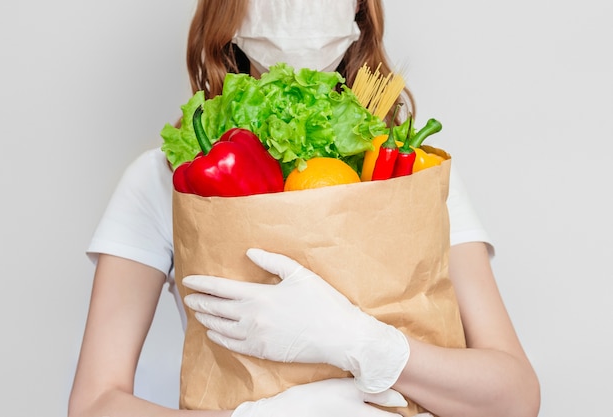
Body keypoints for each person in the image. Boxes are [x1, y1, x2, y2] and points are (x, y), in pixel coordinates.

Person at [68, 0, 541, 416]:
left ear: (358, 7)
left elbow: (514, 398)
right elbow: (95, 405)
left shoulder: (414, 173)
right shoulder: (162, 179)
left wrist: (367, 346)